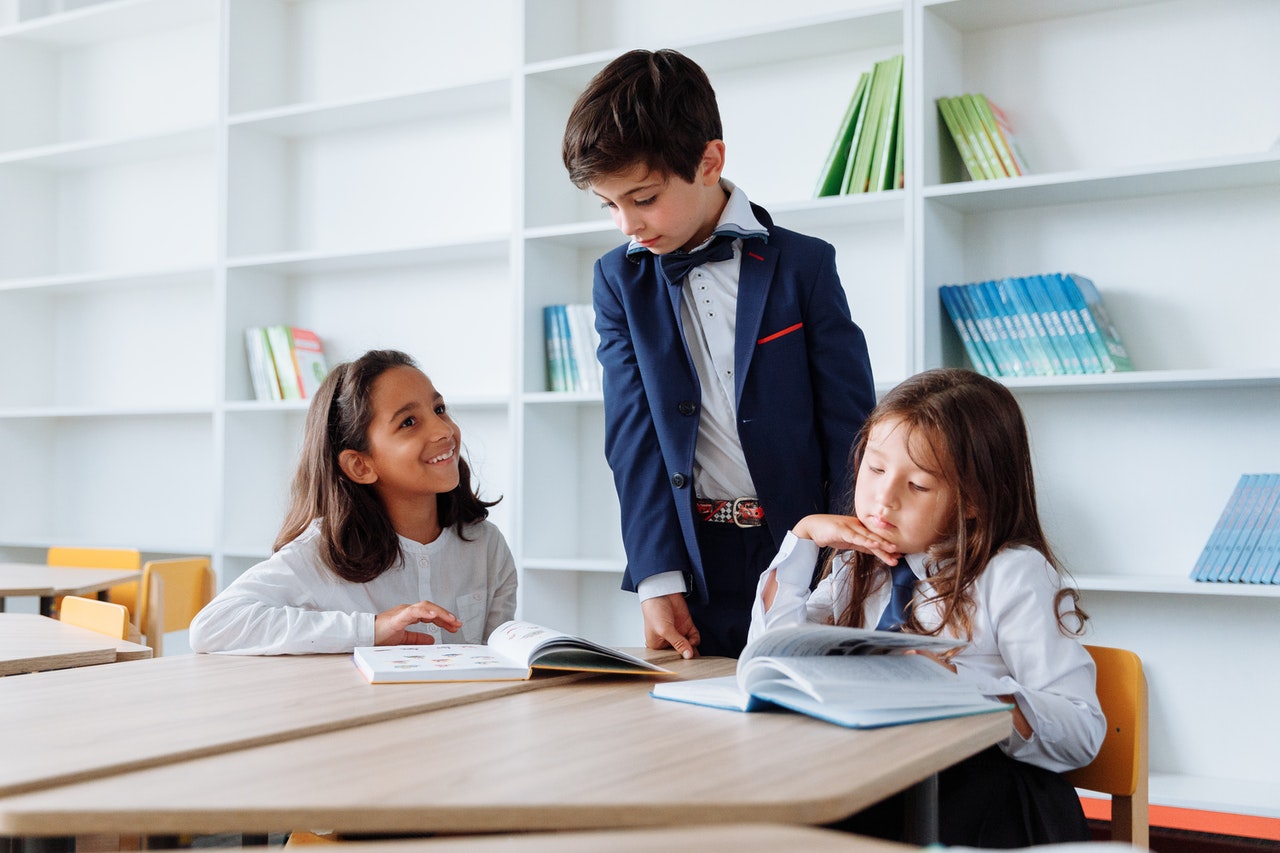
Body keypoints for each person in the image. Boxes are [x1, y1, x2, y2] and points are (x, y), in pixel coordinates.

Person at [561, 48, 876, 659]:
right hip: (693, 564)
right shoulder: (617, 282)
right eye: (609, 205)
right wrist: (655, 577)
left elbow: (852, 429)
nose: (627, 224)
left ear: (710, 162)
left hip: (807, 557)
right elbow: (633, 438)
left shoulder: (805, 266)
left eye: (644, 198)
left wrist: (849, 565)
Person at [750, 367, 1106, 847]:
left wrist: (957, 689)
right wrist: (803, 539)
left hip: (985, 798)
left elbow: (1080, 729)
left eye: (917, 485)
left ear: (974, 499)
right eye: (875, 469)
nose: (884, 498)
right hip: (880, 781)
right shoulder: (860, 563)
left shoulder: (1012, 574)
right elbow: (771, 659)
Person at [190, 349, 516, 655]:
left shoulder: (486, 546)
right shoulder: (322, 553)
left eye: (439, 409)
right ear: (361, 465)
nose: (443, 430)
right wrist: (371, 629)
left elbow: (498, 661)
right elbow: (212, 626)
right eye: (408, 422)